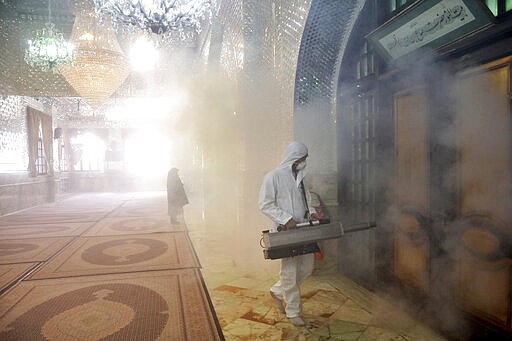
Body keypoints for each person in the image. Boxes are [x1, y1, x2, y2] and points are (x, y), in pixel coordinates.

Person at [258, 141, 320, 327]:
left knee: (307, 268)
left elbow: (307, 200)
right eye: (303, 158)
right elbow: (265, 203)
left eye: (305, 158)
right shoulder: (273, 177)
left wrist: (313, 211)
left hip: (304, 229)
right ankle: (293, 312)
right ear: (294, 158)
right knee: (289, 272)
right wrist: (286, 219)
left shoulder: (302, 177)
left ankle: (278, 291)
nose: (304, 162)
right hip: (286, 231)